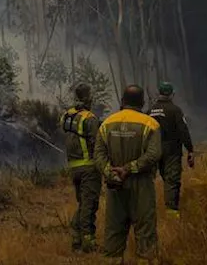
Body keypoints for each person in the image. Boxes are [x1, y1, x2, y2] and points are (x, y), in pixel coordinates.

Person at [95, 84, 162, 262]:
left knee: (113, 238)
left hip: (115, 186)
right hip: (142, 187)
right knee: (145, 237)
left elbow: (99, 155)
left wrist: (111, 173)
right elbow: (154, 154)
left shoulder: (106, 124)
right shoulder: (151, 124)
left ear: (122, 101)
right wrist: (129, 168)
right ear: (142, 102)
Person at [58, 83, 101, 252]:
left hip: (73, 167)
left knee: (84, 203)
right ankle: (88, 242)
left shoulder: (67, 116)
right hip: (89, 167)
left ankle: (76, 236)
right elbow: (96, 143)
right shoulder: (89, 118)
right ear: (88, 97)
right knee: (89, 205)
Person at [147, 81, 194, 217]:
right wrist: (190, 149)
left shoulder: (150, 111)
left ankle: (149, 210)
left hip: (152, 150)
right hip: (172, 150)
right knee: (172, 180)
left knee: (149, 179)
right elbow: (183, 131)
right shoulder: (175, 110)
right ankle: (172, 214)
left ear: (159, 93)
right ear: (172, 94)